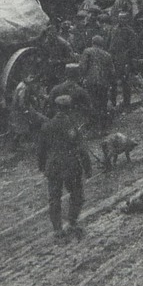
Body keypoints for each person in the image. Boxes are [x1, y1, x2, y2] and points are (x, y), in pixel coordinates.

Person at [37, 95, 92, 240]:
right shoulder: (72, 125)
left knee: (54, 198)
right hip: (71, 165)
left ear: (56, 108)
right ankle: (72, 223)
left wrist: (42, 166)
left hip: (53, 166)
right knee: (77, 194)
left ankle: (57, 229)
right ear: (70, 108)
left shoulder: (47, 126)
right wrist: (87, 167)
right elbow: (81, 149)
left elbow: (41, 150)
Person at [78, 34, 114, 132]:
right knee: (102, 105)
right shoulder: (107, 55)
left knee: (92, 104)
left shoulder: (87, 51)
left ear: (93, 43)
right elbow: (112, 72)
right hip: (103, 83)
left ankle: (93, 129)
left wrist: (83, 77)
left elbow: (83, 67)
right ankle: (102, 129)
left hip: (90, 82)